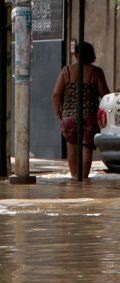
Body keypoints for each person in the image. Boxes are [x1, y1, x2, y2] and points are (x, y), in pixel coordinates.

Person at [52, 41, 109, 179]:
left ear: (77, 54)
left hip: (69, 118)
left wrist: (58, 111)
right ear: (91, 55)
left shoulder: (66, 71)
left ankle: (74, 176)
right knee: (86, 148)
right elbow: (105, 95)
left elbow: (56, 94)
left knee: (72, 147)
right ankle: (83, 178)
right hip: (89, 117)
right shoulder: (96, 72)